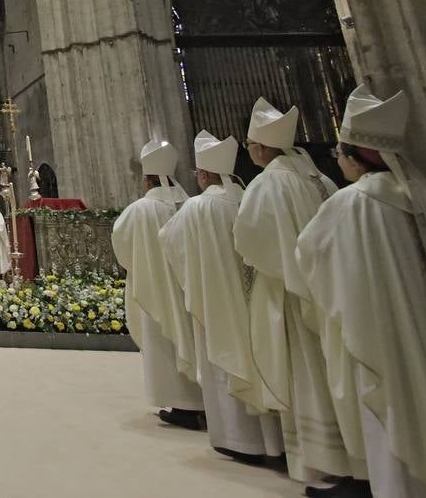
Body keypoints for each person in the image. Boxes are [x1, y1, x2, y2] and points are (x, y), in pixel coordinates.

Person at [296, 86, 426, 498]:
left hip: (377, 325)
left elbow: (310, 253)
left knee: (383, 403)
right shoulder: (423, 198)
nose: (339, 161)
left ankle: (388, 486)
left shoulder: (354, 203)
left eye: (340, 153)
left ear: (357, 156)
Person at [235, 97, 363, 488]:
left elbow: (249, 239)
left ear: (260, 147)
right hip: (330, 291)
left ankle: (322, 459)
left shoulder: (268, 183)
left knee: (307, 372)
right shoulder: (320, 179)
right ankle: (354, 456)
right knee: (336, 372)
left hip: (290, 292)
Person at [159, 131, 283, 465]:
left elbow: (168, 242)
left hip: (217, 297)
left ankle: (237, 437)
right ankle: (275, 439)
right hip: (257, 298)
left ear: (202, 174)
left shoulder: (198, 206)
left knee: (224, 358)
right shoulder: (248, 197)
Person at [111, 139, 203, 430]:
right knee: (195, 337)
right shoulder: (190, 204)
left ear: (148, 180)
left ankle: (182, 404)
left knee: (165, 340)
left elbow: (122, 244)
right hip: (191, 287)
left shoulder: (140, 209)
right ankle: (205, 399)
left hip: (157, 285)